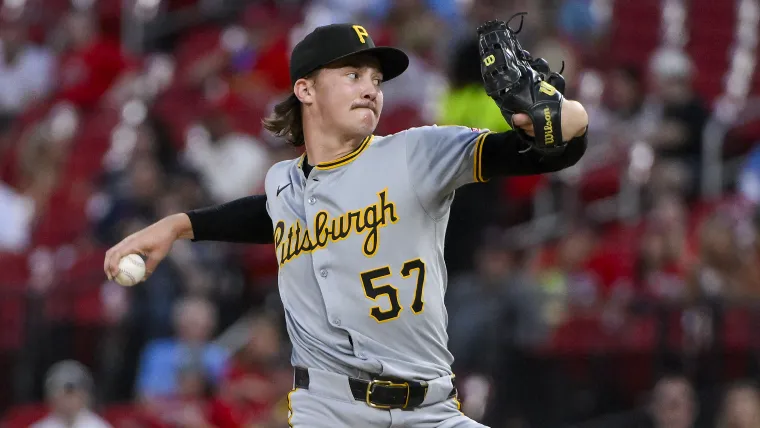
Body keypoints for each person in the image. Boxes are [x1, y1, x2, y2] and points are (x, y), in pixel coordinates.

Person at [104, 22, 589, 427]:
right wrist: (176, 225)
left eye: (376, 80)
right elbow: (265, 214)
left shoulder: (416, 153)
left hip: (431, 410)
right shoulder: (283, 184)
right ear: (305, 89)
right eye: (353, 75)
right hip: (328, 411)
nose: (371, 89)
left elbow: (547, 150)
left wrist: (569, 118)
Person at [31, 360, 112, 428]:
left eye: (72, 396)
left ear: (84, 397)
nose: (68, 402)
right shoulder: (42, 426)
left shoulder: (98, 426)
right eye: (63, 396)